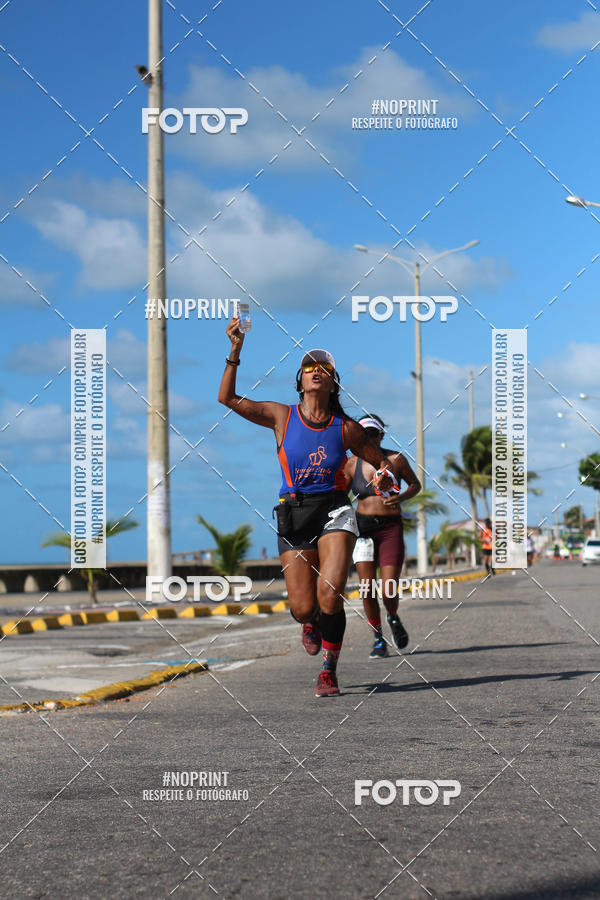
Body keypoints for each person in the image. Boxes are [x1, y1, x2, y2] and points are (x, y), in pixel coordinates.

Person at [218, 317, 395, 698]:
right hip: (295, 514)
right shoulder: (281, 416)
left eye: (324, 368)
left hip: (335, 511)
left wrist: (384, 476)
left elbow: (380, 462)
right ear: (300, 381)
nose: (316, 371)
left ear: (333, 382)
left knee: (330, 593)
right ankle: (309, 620)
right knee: (302, 607)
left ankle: (328, 670)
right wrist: (235, 350)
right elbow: (228, 399)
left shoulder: (346, 428)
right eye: (309, 367)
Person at [343, 414, 421, 658]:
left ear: (381, 435)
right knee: (367, 589)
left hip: (390, 528)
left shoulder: (396, 459)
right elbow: (340, 494)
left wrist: (401, 497)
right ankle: (378, 638)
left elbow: (415, 485)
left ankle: (393, 615)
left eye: (373, 433)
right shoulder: (351, 463)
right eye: (363, 433)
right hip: (363, 530)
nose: (368, 438)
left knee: (388, 587)